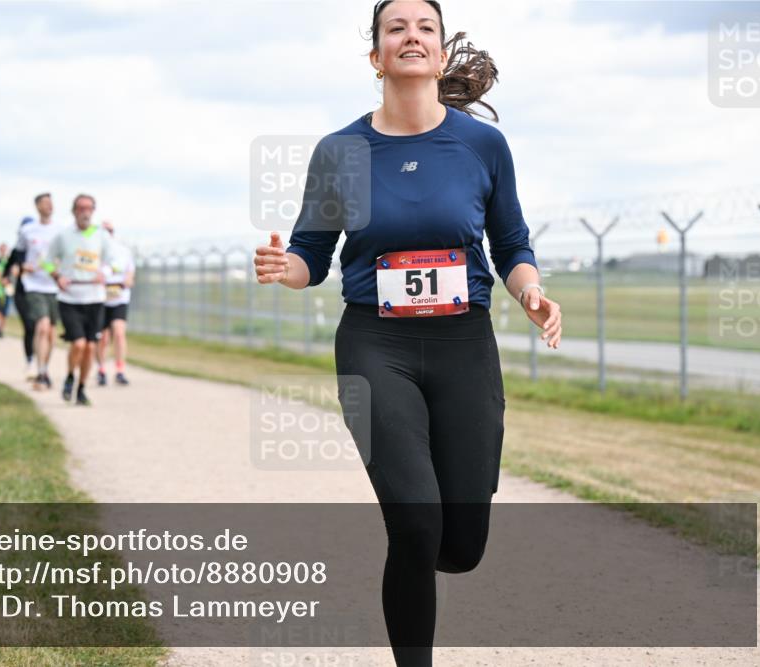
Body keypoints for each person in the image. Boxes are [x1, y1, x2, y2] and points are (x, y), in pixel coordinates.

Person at [254, 2, 563, 665]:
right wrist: (285, 268)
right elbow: (311, 255)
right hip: (375, 345)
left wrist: (531, 291)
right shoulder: (341, 151)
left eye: (425, 27)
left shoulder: (482, 146)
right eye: (396, 28)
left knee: (460, 544)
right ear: (376, 56)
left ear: (442, 52)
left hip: (464, 346)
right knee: (416, 523)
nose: (412, 35)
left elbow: (511, 244)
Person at [44, 194, 114, 406]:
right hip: (70, 298)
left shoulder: (101, 235)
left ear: (93, 211)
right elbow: (46, 262)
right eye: (81, 208)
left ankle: (81, 387)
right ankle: (69, 376)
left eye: (89, 208)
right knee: (78, 344)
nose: (85, 212)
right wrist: (57, 276)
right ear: (74, 211)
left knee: (91, 348)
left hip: (94, 297)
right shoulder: (63, 236)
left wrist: (106, 273)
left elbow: (114, 262)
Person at [15, 194, 61, 390]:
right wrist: (23, 267)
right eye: (44, 203)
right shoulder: (27, 230)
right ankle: (40, 372)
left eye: (50, 203)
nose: (48, 206)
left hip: (55, 286)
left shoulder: (60, 231)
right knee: (41, 326)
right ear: (37, 206)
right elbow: (17, 256)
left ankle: (45, 368)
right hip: (34, 285)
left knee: (51, 332)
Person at [95, 220, 135, 386]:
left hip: (119, 298)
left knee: (119, 333)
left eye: (109, 231)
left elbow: (130, 276)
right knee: (103, 337)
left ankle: (120, 370)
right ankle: (101, 369)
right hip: (100, 298)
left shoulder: (123, 251)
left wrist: (125, 281)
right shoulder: (94, 252)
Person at [5, 218, 36, 378]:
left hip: (40, 294)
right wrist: (11, 273)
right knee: (30, 326)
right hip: (22, 293)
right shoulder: (17, 251)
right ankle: (30, 359)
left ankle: (41, 362)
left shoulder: (42, 248)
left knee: (42, 328)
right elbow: (7, 270)